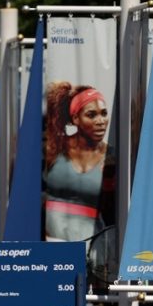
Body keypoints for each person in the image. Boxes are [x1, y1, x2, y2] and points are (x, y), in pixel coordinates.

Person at [44, 82, 113, 243]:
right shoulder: (54, 148)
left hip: (91, 247)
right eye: (91, 115)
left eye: (104, 113)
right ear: (76, 118)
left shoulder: (113, 157)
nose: (101, 121)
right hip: (50, 244)